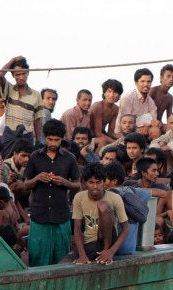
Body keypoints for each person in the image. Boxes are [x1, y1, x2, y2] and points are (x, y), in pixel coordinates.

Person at [24, 119, 80, 266]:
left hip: (60, 215)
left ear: (62, 139)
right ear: (44, 137)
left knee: (61, 258)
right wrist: (37, 178)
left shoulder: (69, 158)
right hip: (39, 215)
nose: (53, 143)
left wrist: (64, 182)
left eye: (57, 140)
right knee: (37, 257)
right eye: (50, 139)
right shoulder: (35, 157)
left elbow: (77, 184)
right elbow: (26, 184)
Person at [71, 163, 129, 265]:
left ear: (103, 182)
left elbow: (125, 229)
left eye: (98, 182)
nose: (95, 187)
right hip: (89, 244)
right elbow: (77, 228)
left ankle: (105, 251)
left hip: (108, 242)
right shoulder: (79, 197)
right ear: (85, 183)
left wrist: (110, 251)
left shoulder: (115, 198)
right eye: (91, 182)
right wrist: (82, 254)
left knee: (103, 206)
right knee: (63, 263)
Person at [0, 56, 44, 144]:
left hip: (26, 136)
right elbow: (0, 75)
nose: (21, 77)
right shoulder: (9, 88)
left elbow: (37, 120)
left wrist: (38, 141)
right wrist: (13, 60)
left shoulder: (36, 95)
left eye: (24, 74)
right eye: (18, 74)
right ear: (13, 75)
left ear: (28, 73)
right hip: (10, 135)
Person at [116, 68, 161, 134]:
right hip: (124, 133)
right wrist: (146, 124)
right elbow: (126, 123)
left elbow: (153, 120)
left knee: (156, 129)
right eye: (142, 81)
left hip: (142, 130)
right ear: (136, 83)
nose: (146, 84)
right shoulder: (127, 98)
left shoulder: (151, 101)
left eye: (148, 82)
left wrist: (147, 126)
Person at [89, 79, 124, 149]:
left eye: (115, 92)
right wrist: (115, 142)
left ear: (119, 95)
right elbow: (97, 133)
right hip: (89, 136)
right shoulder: (98, 106)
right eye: (109, 91)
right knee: (104, 141)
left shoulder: (116, 109)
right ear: (104, 93)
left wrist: (124, 138)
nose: (112, 95)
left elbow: (111, 133)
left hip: (102, 134)